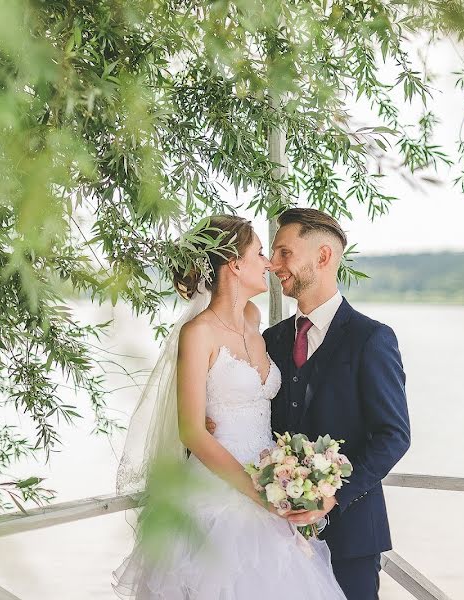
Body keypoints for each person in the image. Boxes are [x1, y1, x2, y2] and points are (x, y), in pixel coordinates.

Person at [113, 215, 347, 600]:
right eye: (260, 252)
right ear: (234, 264)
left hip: (270, 487)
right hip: (218, 492)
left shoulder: (255, 321)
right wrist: (258, 494)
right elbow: (191, 430)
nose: (270, 263)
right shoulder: (199, 332)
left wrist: (282, 485)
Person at [208, 208, 411, 600]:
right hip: (275, 538)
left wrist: (334, 495)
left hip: (351, 537)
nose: (273, 264)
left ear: (323, 257)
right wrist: (210, 417)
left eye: (285, 253)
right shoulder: (271, 339)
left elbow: (394, 436)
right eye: (271, 254)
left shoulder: (372, 339)